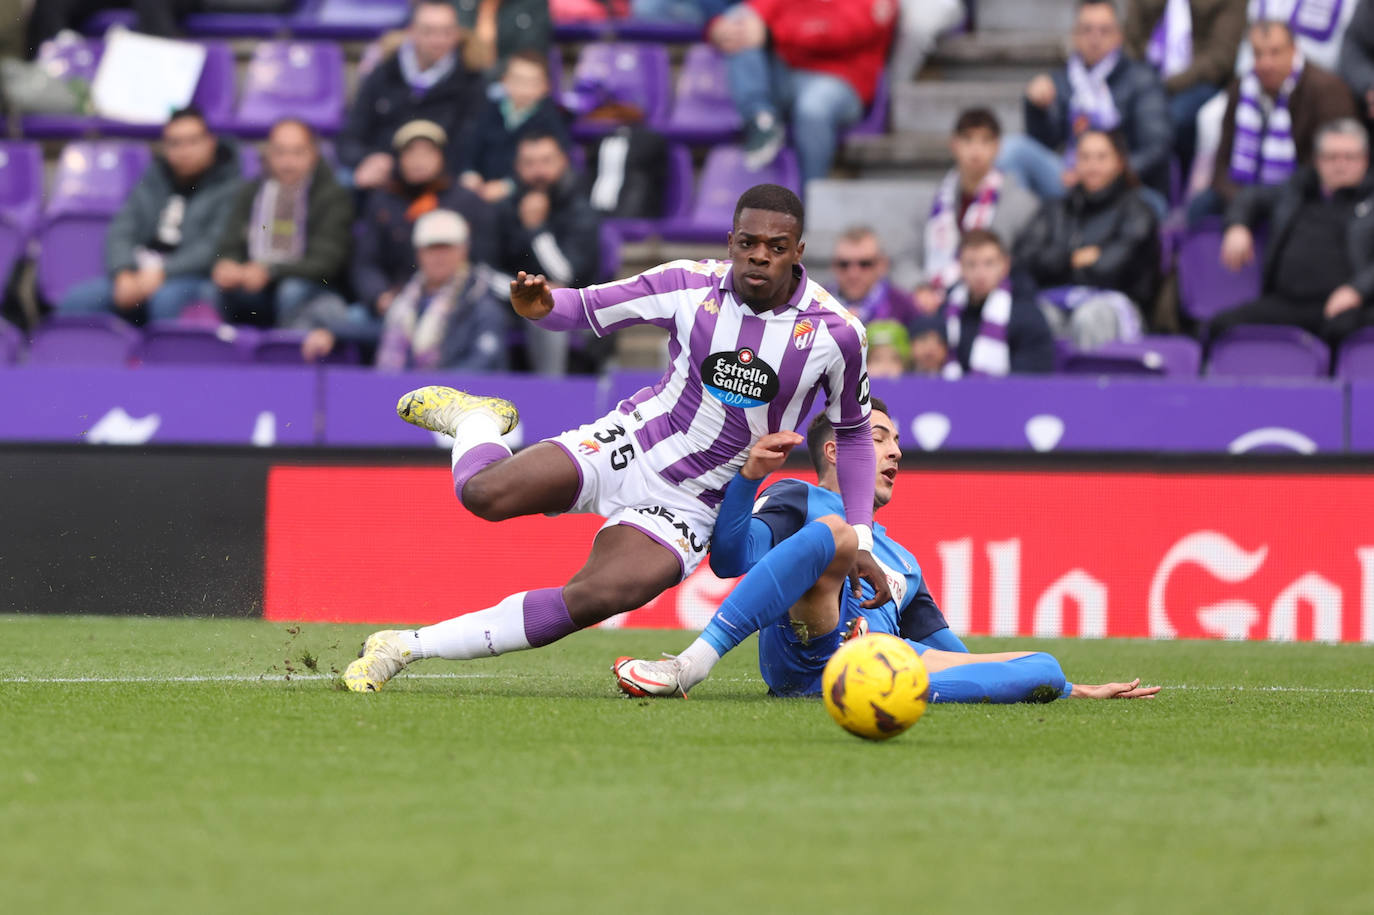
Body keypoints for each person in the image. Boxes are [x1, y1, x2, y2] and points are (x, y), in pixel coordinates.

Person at [343, 183, 891, 692]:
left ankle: (403, 647)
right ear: (730, 242)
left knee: (594, 597)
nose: (759, 255)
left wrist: (862, 541)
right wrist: (540, 306)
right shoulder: (687, 283)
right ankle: (475, 421)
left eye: (776, 245)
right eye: (747, 242)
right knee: (483, 496)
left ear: (798, 250)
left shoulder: (835, 332)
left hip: (695, 503)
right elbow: (585, 307)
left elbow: (855, 435)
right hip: (631, 443)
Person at [612, 401, 1160, 702]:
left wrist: (1068, 689)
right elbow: (731, 560)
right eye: (878, 439)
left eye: (896, 442)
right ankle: (689, 666)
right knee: (839, 535)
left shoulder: (904, 561)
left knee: (1042, 667)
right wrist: (749, 476)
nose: (896, 452)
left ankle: (882, 680)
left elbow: (958, 657)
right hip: (809, 654)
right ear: (836, 450)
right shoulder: (798, 497)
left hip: (880, 668)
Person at [57, 106, 239, 323]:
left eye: (193, 141)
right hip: (138, 272)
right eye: (175, 143)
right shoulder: (153, 179)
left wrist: (162, 272)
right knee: (77, 301)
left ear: (211, 142)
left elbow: (213, 247)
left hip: (192, 276)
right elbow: (122, 229)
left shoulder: (232, 187)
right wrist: (123, 272)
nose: (184, 151)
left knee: (166, 299)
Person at [997, 0, 1173, 209]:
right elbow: (1045, 143)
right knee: (1011, 150)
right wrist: (1036, 108)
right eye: (1086, 30)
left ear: (1120, 35)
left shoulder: (1142, 79)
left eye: (1104, 30)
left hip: (1129, 189)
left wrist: (1103, 171)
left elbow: (1156, 147)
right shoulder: (1062, 80)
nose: (1095, 38)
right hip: (1071, 178)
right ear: (1074, 35)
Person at [1214, 118, 1374, 346]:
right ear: (1318, 161)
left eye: (1350, 157)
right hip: (1286, 301)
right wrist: (1237, 225)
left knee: (1346, 331)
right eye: (1332, 157)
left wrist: (1357, 290)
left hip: (1344, 306)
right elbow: (1250, 197)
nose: (1341, 165)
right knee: (1222, 326)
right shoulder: (1296, 191)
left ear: (1365, 160)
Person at [708, 0, 897, 182]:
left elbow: (842, 33)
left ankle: (809, 201)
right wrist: (719, 30)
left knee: (813, 107)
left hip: (843, 81)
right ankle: (759, 118)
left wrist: (771, 34)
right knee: (742, 22)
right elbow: (750, 12)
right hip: (788, 75)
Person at [1195, 18, 1358, 222]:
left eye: (1275, 52)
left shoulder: (1326, 90)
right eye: (1258, 53)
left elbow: (1324, 169)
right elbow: (1222, 161)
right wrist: (1241, 204)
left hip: (1300, 195)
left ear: (1293, 49)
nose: (1266, 63)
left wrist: (1254, 202)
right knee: (1199, 207)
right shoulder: (1241, 88)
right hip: (1241, 190)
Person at [306, 210, 508, 370]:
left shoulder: (479, 298)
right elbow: (386, 331)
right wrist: (333, 331)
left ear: (463, 250)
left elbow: (483, 362)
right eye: (431, 248)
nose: (438, 257)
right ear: (419, 253)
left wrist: (434, 392)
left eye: (446, 248)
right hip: (406, 402)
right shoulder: (409, 298)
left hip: (456, 409)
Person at [1015, 129, 1161, 349]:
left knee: (1089, 317)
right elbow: (1024, 260)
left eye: (1101, 157)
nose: (1093, 166)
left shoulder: (1137, 211)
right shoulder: (1056, 209)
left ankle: (1090, 384)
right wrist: (1070, 259)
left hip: (1117, 305)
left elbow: (1109, 270)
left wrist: (1058, 266)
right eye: (1085, 157)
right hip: (1058, 298)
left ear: (1119, 163)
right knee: (1035, 316)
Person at [351, 119, 498, 334]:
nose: (418, 161)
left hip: (458, 302)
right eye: (410, 153)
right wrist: (380, 296)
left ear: (442, 156)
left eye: (427, 152)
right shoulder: (382, 201)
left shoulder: (466, 201)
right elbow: (366, 262)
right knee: (352, 321)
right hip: (396, 300)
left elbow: (483, 259)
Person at [213, 119, 351, 328]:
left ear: (314, 154)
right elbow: (230, 243)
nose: (288, 162)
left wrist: (271, 271)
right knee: (212, 289)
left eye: (297, 152)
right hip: (255, 284)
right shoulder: (251, 191)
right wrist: (228, 263)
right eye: (280, 152)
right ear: (267, 154)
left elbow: (326, 263)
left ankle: (284, 354)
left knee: (292, 290)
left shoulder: (332, 195)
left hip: (312, 285)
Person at [337, 0, 484, 189]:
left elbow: (472, 145)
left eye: (446, 32)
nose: (438, 40)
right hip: (384, 180)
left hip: (444, 182)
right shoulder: (383, 72)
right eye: (429, 31)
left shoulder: (472, 79)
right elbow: (351, 136)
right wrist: (367, 159)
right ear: (412, 31)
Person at [914, 108, 1040, 313]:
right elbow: (906, 256)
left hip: (993, 302)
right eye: (968, 140)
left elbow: (1024, 265)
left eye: (985, 141)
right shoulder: (931, 200)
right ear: (954, 144)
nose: (976, 150)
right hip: (931, 298)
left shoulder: (1023, 203)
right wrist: (919, 287)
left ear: (998, 147)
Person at [496, 130, 601, 376]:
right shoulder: (503, 208)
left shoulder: (581, 209)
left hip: (572, 302)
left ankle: (550, 392)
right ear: (517, 167)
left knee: (544, 310)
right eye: (529, 163)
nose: (538, 171)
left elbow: (569, 275)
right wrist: (520, 292)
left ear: (563, 161)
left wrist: (537, 230)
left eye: (546, 161)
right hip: (505, 299)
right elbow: (483, 266)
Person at [1124, 0, 1248, 170]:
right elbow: (1130, 41)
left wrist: (1167, 84)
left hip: (1199, 81)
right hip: (1146, 77)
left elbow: (1220, 58)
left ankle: (1177, 187)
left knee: (1171, 119)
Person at [458, 49, 570, 204]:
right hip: (481, 190)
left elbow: (554, 168)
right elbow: (469, 148)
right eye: (517, 79)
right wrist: (469, 173)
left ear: (546, 86)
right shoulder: (487, 110)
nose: (523, 87)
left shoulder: (552, 120)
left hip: (525, 193)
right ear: (504, 81)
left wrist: (510, 186)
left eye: (531, 81)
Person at [942, 229, 1055, 377]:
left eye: (989, 264)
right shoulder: (945, 314)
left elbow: (1032, 379)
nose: (980, 273)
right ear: (960, 267)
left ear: (1005, 265)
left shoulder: (1028, 316)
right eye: (971, 264)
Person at [827, 226, 918, 327]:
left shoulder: (904, 308)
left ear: (882, 265)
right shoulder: (813, 303)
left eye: (865, 264)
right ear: (833, 265)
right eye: (844, 264)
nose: (853, 274)